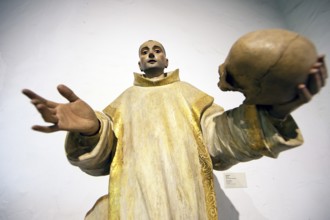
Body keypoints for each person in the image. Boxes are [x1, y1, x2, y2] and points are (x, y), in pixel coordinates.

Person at [22, 40, 327, 220]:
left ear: (166, 59)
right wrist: (91, 130)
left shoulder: (190, 96)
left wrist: (274, 112)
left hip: (187, 201)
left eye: (157, 50)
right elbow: (102, 160)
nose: (151, 54)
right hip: (136, 202)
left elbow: (219, 139)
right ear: (139, 62)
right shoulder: (123, 103)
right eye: (144, 51)